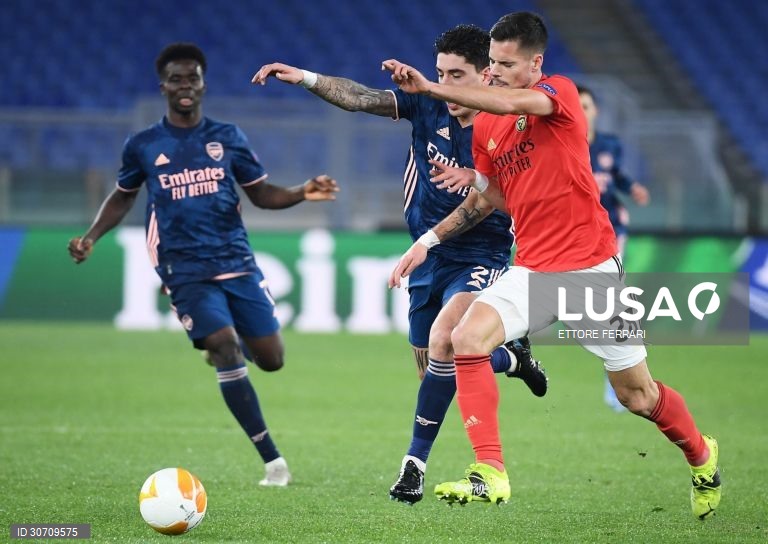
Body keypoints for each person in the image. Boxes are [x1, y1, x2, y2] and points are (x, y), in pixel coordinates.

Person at [384, 12, 720, 519]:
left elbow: (514, 100)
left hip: (590, 273)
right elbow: (498, 196)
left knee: (636, 395)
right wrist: (467, 189)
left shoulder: (557, 95)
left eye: (505, 64)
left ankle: (701, 455)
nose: (494, 72)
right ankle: (489, 473)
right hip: (533, 272)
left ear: (535, 63)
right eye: (491, 63)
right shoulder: (488, 129)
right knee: (463, 339)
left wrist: (431, 88)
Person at [252, 24, 548, 504]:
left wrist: (454, 208)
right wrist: (304, 76)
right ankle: (511, 357)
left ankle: (413, 467)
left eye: (458, 75)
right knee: (435, 366)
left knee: (444, 340)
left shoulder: (504, 125)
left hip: (482, 253)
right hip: (427, 254)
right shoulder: (427, 102)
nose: (446, 85)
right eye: (440, 74)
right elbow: (360, 98)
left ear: (487, 76)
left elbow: (499, 199)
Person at [68, 43, 340, 487]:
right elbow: (122, 196)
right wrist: (91, 237)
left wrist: (301, 191)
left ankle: (220, 351)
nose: (184, 86)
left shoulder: (228, 137)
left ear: (202, 83)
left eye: (191, 78)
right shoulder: (143, 145)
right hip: (184, 268)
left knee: (271, 360)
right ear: (163, 87)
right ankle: (273, 462)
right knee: (226, 345)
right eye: (176, 79)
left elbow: (262, 194)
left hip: (236, 260)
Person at [577, 84, 651, 413]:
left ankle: (619, 374)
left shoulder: (609, 145)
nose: (581, 111)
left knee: (611, 298)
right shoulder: (562, 142)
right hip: (576, 234)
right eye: (576, 106)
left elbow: (615, 174)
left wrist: (631, 187)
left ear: (595, 111)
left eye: (587, 106)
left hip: (610, 231)